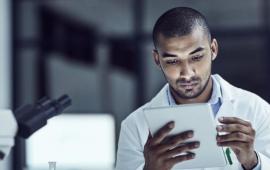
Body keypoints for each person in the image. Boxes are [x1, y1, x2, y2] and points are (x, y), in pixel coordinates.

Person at [115, 7, 270, 170]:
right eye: (173, 61)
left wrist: (253, 162)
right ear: (157, 59)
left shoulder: (257, 110)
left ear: (213, 49)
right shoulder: (134, 127)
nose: (187, 73)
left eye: (196, 57)